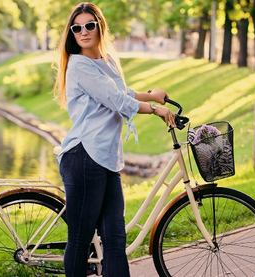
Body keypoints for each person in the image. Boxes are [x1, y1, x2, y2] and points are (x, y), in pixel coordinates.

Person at [52, 2, 176, 276]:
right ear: (72, 33)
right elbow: (116, 100)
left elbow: (121, 91)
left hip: (106, 159)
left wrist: (150, 95)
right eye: (77, 28)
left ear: (99, 27)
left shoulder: (105, 62)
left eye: (89, 25)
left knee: (116, 241)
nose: (83, 31)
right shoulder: (79, 65)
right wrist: (155, 110)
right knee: (80, 241)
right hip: (84, 157)